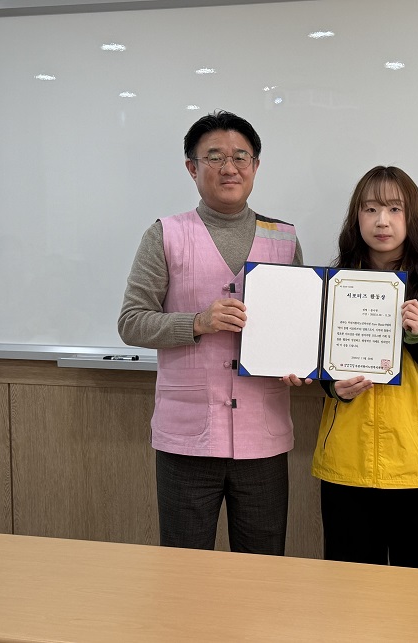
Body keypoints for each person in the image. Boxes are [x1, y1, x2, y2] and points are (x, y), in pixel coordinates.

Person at [118, 110, 303, 555]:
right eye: (214, 157)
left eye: (241, 157)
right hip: (187, 440)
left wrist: (300, 363)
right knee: (184, 569)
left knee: (262, 568)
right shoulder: (165, 235)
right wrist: (196, 323)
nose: (229, 167)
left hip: (263, 437)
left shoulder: (284, 239)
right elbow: (131, 321)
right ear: (192, 167)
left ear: (256, 165)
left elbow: (299, 326)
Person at [288, 166, 418, 570]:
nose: (382, 221)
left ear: (412, 217)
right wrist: (334, 388)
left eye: (394, 208)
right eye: (370, 209)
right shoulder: (333, 286)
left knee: (417, 593)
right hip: (347, 462)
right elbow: (322, 367)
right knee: (349, 592)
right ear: (357, 218)